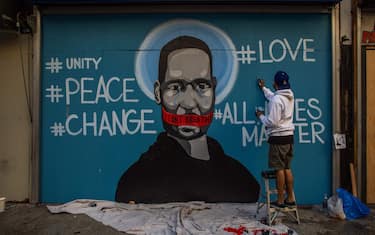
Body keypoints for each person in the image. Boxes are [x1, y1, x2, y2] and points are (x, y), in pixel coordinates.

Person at [115, 36, 260, 203]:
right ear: (157, 93)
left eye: (202, 86)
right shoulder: (137, 181)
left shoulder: (241, 179)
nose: (189, 103)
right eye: (175, 87)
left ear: (214, 90)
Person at [255, 71, 296, 208]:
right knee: (287, 168)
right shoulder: (289, 96)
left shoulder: (276, 100)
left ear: (275, 84)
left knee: (279, 169)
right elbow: (273, 96)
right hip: (289, 137)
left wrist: (260, 116)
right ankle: (290, 198)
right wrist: (264, 89)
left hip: (278, 138)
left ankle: (280, 201)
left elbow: (272, 122)